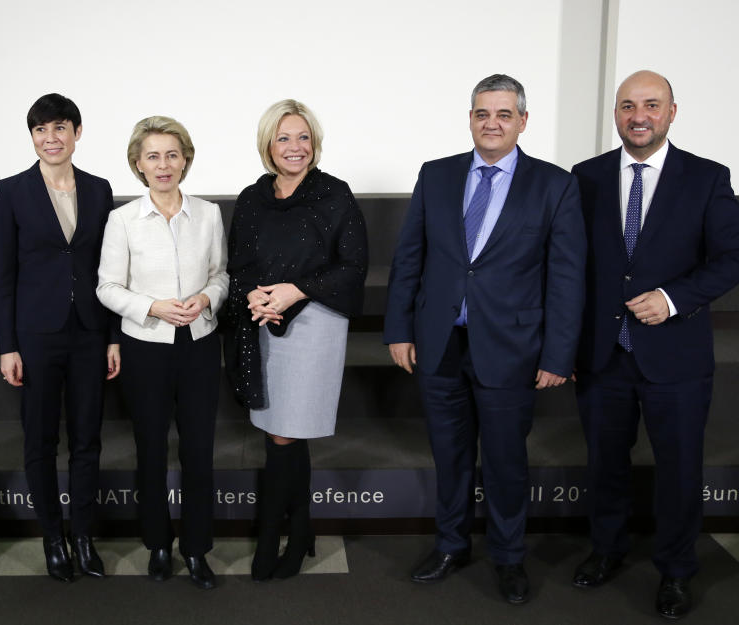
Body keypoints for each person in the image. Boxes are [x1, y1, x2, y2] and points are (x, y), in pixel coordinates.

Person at [383, 74, 585, 604]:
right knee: (448, 457)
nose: (490, 123)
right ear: (470, 117)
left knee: (504, 462)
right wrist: (400, 329)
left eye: (502, 114)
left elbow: (566, 278)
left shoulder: (554, 185)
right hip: (439, 343)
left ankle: (508, 557)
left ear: (522, 120)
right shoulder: (437, 175)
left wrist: (558, 354)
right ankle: (451, 545)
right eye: (481, 113)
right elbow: (410, 259)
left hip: (512, 351)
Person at [570, 70, 739, 619]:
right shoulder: (585, 176)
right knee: (605, 465)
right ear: (615, 114)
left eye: (650, 105)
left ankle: (676, 571)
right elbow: (574, 265)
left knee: (680, 469)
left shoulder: (708, 178)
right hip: (603, 354)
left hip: (676, 354)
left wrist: (671, 297)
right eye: (626, 106)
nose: (637, 116)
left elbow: (732, 258)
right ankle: (608, 550)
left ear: (671, 112)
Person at [225, 99, 368, 581]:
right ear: (268, 143)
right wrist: (259, 300)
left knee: (286, 432)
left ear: (315, 143)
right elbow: (239, 264)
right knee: (279, 432)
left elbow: (352, 265)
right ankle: (301, 527)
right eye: (284, 137)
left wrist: (293, 292)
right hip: (262, 320)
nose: (295, 147)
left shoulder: (334, 194)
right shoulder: (251, 197)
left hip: (316, 322)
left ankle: (273, 537)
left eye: (303, 137)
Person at [97, 116, 228, 589]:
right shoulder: (122, 220)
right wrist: (152, 305)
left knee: (198, 451)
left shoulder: (209, 214)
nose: (164, 164)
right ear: (138, 164)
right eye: (153, 155)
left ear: (186, 159)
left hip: (198, 345)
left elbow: (221, 274)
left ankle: (196, 550)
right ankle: (157, 545)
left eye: (173, 154)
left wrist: (208, 297)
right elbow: (107, 288)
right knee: (150, 450)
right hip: (145, 348)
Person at [0, 93, 120, 582]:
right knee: (41, 441)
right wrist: (8, 345)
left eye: (60, 128)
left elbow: (109, 268)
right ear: (32, 137)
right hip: (36, 335)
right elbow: (2, 274)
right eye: (41, 130)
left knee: (87, 438)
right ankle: (53, 537)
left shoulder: (99, 188)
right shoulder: (12, 190)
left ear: (77, 132)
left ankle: (83, 536)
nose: (51, 138)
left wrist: (111, 336)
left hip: (89, 331)